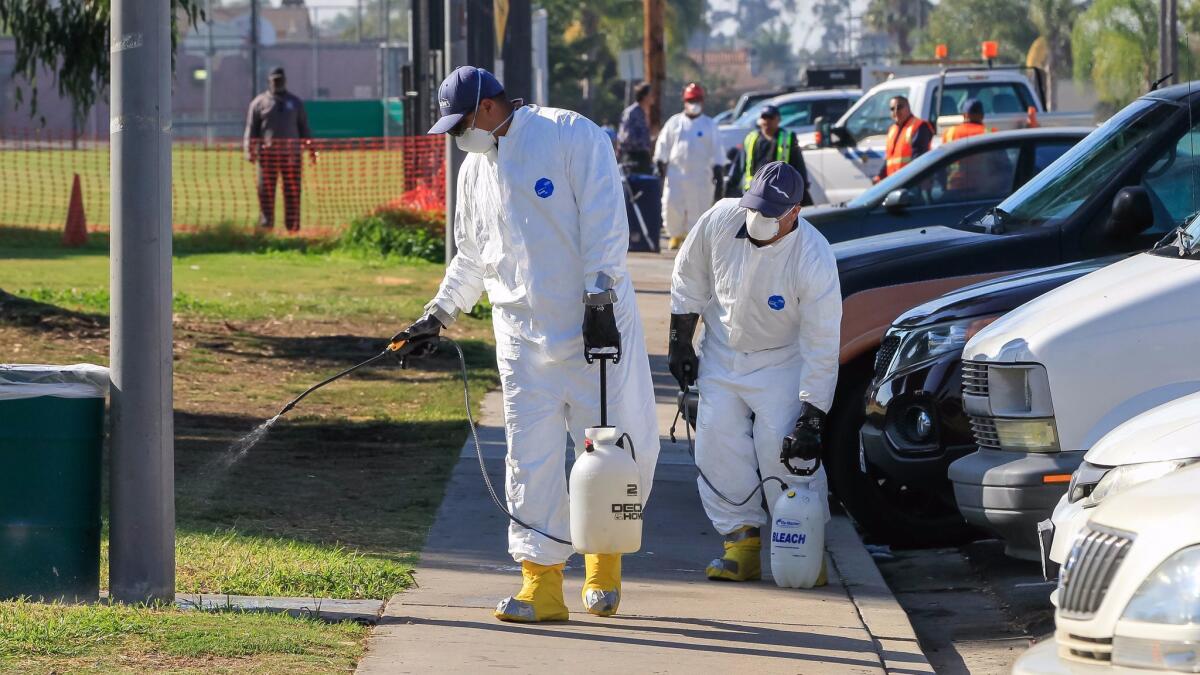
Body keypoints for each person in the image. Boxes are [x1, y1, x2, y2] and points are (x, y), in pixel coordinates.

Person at [394, 66, 660, 623]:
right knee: (528, 458)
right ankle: (540, 584)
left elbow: (606, 225)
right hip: (521, 338)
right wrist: (436, 315)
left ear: (487, 109)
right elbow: (471, 256)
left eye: (459, 124)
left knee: (611, 449)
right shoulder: (473, 171)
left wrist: (600, 299)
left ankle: (602, 567)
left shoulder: (569, 135)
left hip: (593, 329)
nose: (455, 137)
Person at [668, 161, 841, 583]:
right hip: (723, 352)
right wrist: (679, 341)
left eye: (771, 213)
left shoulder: (813, 258)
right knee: (716, 443)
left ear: (795, 212)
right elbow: (689, 278)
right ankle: (740, 543)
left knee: (781, 450)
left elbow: (822, 345)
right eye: (755, 208)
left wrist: (812, 417)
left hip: (781, 360)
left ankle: (805, 548)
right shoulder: (720, 220)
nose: (758, 220)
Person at [653, 82, 725, 249]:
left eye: (697, 100)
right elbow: (663, 144)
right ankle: (675, 235)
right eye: (691, 100)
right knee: (672, 205)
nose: (694, 104)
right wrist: (660, 163)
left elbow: (717, 150)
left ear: (702, 101)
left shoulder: (709, 125)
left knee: (699, 207)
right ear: (684, 101)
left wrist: (719, 170)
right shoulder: (674, 123)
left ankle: (694, 239)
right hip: (676, 175)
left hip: (701, 176)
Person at [243, 67, 315, 232]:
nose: (277, 83)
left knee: (292, 190)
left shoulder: (295, 102)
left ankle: (293, 227)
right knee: (266, 192)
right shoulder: (259, 103)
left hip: (292, 155)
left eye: (280, 80)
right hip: (267, 156)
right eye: (275, 81)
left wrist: (311, 148)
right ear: (269, 81)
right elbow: (251, 129)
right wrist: (249, 150)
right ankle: (266, 225)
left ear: (285, 81)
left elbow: (304, 128)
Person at [727, 105, 812, 205]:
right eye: (764, 117)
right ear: (759, 120)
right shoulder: (751, 139)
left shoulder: (788, 139)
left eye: (771, 117)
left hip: (780, 193)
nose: (767, 121)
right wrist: (730, 184)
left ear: (778, 120)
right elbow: (739, 165)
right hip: (755, 193)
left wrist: (802, 187)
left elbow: (798, 166)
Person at [873, 95, 932, 184]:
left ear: (908, 108)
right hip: (894, 182)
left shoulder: (919, 126)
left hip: (912, 182)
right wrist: (880, 176)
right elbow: (890, 159)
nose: (896, 111)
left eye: (899, 107)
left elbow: (918, 158)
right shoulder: (892, 130)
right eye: (892, 109)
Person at [617, 82, 654, 174]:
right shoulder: (632, 112)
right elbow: (626, 138)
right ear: (644, 96)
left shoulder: (643, 112)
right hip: (633, 159)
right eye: (651, 94)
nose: (653, 97)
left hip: (643, 158)